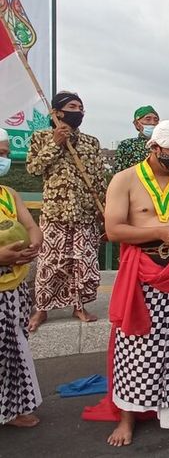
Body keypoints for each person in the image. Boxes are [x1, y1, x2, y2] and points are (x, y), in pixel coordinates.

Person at [82, 120, 169, 446]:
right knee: (137, 348)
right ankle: (127, 417)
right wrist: (158, 231)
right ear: (154, 148)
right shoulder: (124, 179)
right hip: (142, 272)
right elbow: (114, 231)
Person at [26, 91, 107, 330]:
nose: (79, 111)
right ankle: (41, 309)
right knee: (50, 262)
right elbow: (34, 168)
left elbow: (98, 178)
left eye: (81, 108)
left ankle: (79, 306)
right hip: (55, 213)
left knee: (83, 263)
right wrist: (55, 143)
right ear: (57, 112)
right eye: (73, 106)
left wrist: (103, 207)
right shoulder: (41, 137)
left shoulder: (91, 142)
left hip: (85, 214)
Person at [0, 129, 43, 428]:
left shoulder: (8, 193)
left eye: (4, 154)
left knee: (14, 349)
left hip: (13, 287)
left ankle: (12, 409)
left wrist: (35, 243)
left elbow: (31, 225)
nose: (2, 159)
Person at [114, 105, 160, 172]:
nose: (153, 123)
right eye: (148, 119)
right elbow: (118, 174)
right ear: (137, 124)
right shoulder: (126, 145)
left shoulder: (164, 145)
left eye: (156, 120)